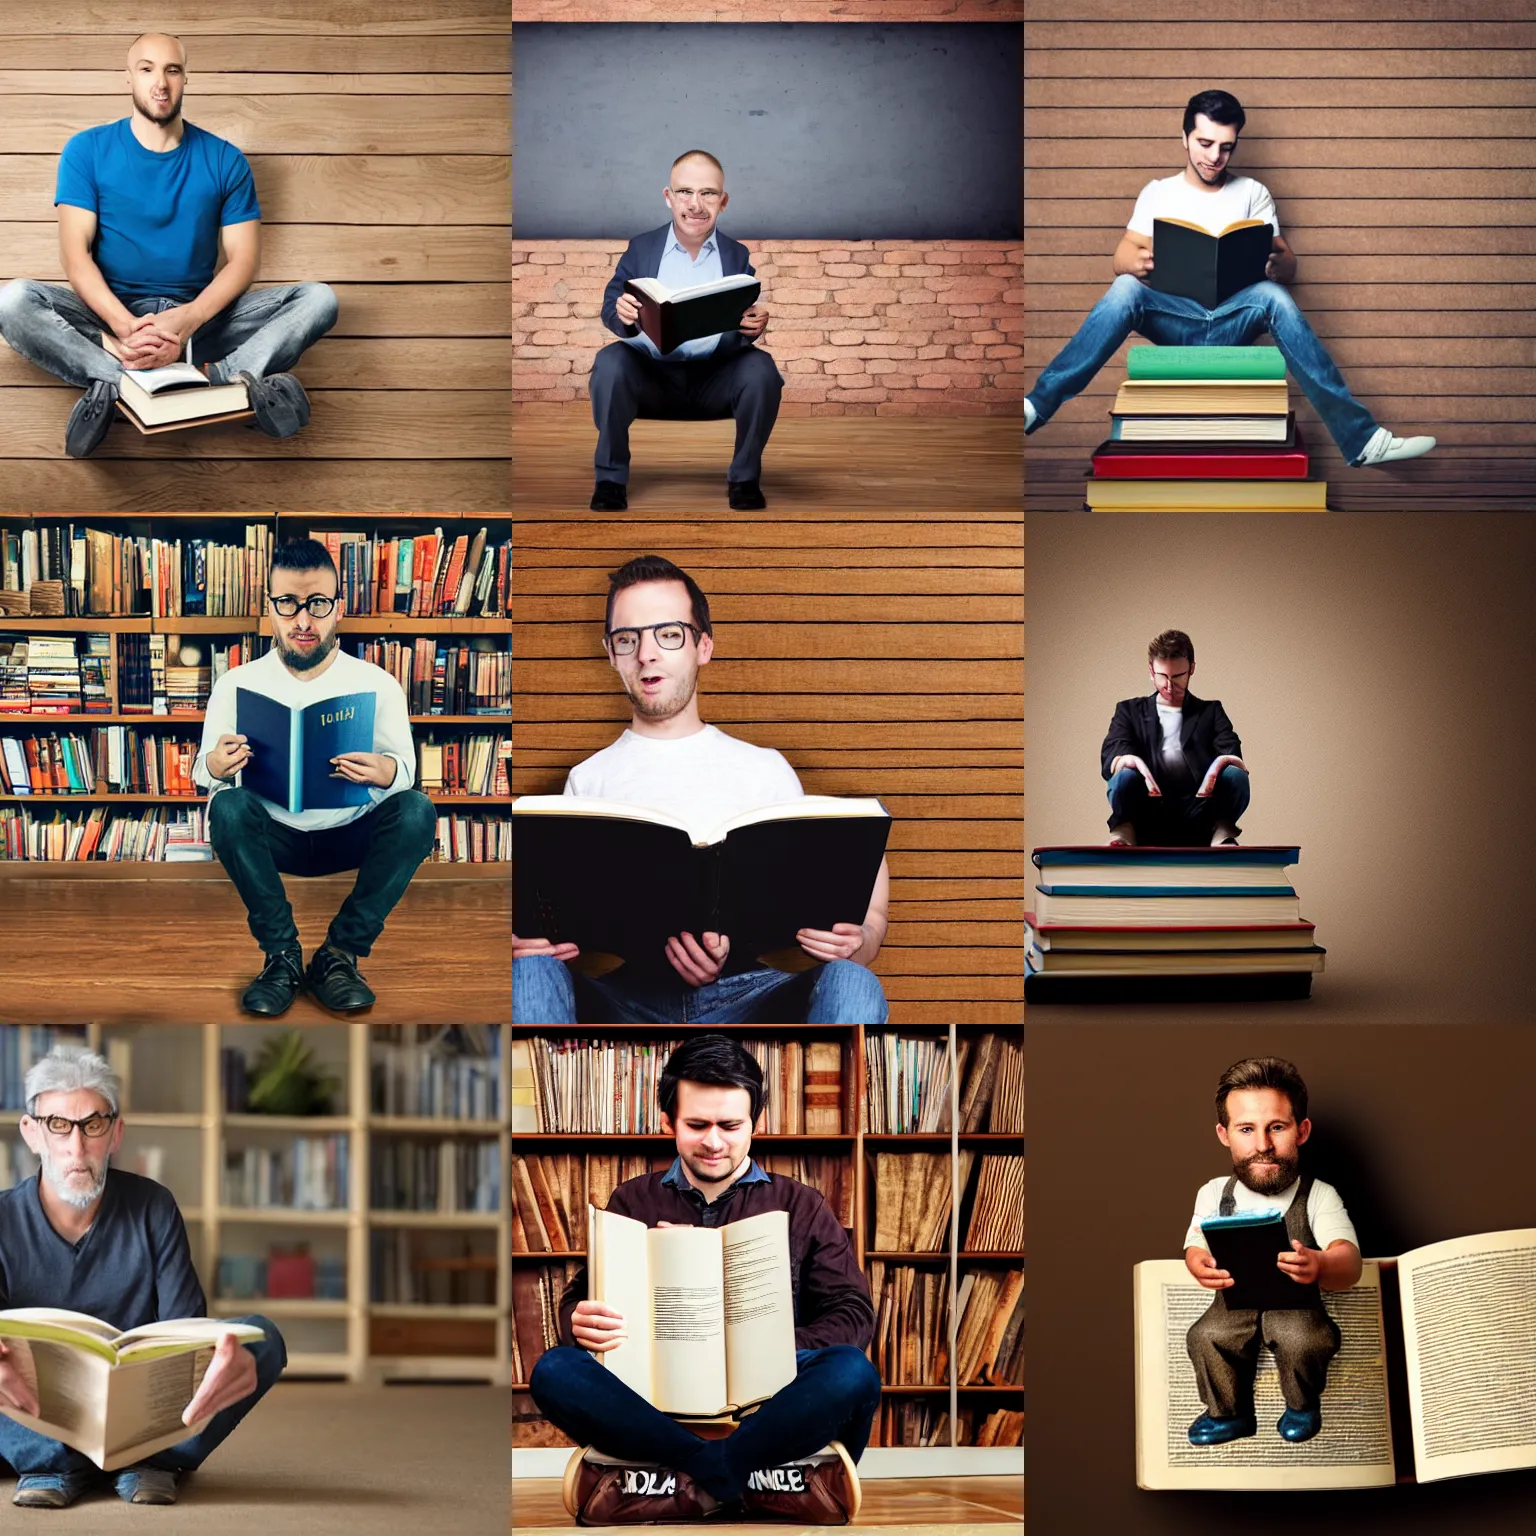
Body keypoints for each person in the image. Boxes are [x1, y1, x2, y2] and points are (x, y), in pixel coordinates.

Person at [512, 555, 889, 1024]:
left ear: (703, 646)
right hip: (627, 999)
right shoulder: (587, 781)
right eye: (628, 639)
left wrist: (864, 938)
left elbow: (852, 883)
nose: (646, 653)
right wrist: (529, 944)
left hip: (751, 995)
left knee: (852, 979)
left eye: (668, 634)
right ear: (611, 654)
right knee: (528, 972)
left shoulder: (765, 769)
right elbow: (568, 926)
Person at [530, 1035, 879, 1524]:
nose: (714, 1141)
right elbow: (581, 1300)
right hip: (662, 1396)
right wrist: (579, 1319)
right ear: (668, 1122)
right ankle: (748, 1480)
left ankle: (681, 1481)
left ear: (754, 1123)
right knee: (554, 1370)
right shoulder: (634, 1201)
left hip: (768, 1401)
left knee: (851, 1372)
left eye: (730, 1125)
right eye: (697, 1125)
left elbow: (853, 1312)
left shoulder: (800, 1203)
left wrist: (771, 1348)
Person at [1023, 89, 1434, 469]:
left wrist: (1279, 265)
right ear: (1184, 138)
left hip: (1234, 318)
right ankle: (1035, 407)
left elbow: (1288, 266)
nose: (1215, 157)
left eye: (1226, 147)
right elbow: (1120, 257)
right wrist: (1139, 261)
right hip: (1176, 319)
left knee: (1272, 294)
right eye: (1205, 144)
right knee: (1125, 287)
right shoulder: (1157, 192)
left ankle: (1362, 440)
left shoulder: (1253, 192)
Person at [0, 31, 337, 458]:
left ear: (184, 78)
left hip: (198, 325)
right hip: (109, 319)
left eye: (172, 70)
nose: (160, 82)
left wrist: (188, 320)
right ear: (129, 78)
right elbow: (75, 255)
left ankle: (222, 378)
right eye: (147, 69)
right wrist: (125, 329)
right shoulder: (86, 150)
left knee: (318, 299)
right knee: (11, 301)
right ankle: (119, 378)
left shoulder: (224, 159)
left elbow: (243, 260)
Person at [0, 1045, 286, 1508]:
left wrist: (224, 1357)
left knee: (262, 1338)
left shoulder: (154, 1206)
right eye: (58, 1125)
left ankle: (141, 1460)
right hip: (31, 1418)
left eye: (93, 1125)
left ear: (115, 1134)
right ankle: (50, 1462)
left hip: (145, 1421)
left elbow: (186, 1335)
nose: (77, 1147)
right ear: (31, 1134)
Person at [192, 539, 437, 1015]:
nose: (303, 621)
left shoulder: (378, 683)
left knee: (417, 811)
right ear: (270, 608)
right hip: (275, 834)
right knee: (226, 806)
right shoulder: (235, 684)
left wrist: (386, 771)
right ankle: (281, 957)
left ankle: (339, 957)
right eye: (288, 604)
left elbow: (405, 775)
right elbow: (205, 771)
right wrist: (216, 766)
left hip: (348, 833)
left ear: (338, 609)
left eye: (317, 604)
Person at [590, 149, 782, 512]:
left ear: (723, 202)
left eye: (708, 193)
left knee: (762, 370)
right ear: (668, 197)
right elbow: (610, 306)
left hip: (714, 379)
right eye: (685, 192)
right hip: (650, 378)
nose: (696, 204)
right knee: (609, 363)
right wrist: (624, 314)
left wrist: (753, 325)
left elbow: (742, 313)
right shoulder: (642, 247)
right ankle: (610, 481)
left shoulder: (736, 253)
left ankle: (744, 480)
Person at [1182, 1056, 1361, 1448]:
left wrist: (1321, 1263)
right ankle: (1228, 1413)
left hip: (1295, 1305)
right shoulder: (1213, 1193)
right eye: (1246, 1129)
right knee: (1204, 1336)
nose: (1262, 1145)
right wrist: (1200, 1265)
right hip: (1233, 1304)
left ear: (1301, 1130)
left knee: (1303, 1341)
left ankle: (1301, 1405)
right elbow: (1194, 1245)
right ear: (1224, 1134)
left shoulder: (1318, 1195)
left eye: (1276, 1127)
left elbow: (1349, 1264)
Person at [1099, 628, 1249, 847]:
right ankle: (1125, 829)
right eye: (1162, 676)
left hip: (1201, 807)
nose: (1169, 685)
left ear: (1192, 669)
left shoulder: (1211, 711)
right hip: (1147, 806)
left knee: (1235, 775)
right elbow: (1112, 750)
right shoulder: (1128, 710)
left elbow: (1230, 749)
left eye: (1178, 676)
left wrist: (1217, 770)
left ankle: (1222, 829)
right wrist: (1127, 761)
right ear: (1151, 671)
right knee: (1123, 776)